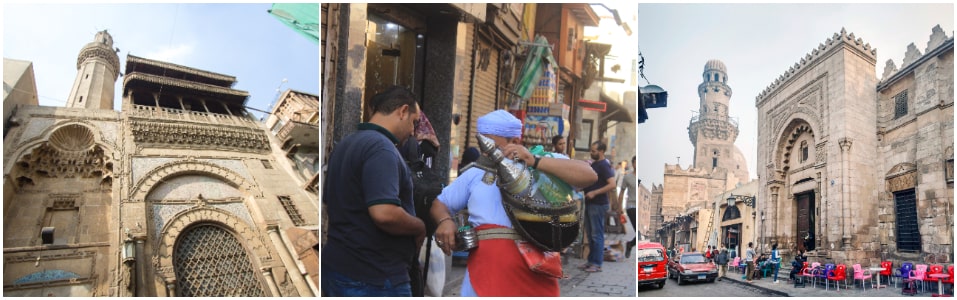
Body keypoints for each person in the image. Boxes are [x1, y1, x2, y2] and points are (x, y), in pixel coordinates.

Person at [429, 110, 597, 296]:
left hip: (535, 272)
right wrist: (445, 221)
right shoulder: (476, 173)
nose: (486, 152)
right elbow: (440, 204)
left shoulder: (543, 162)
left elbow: (589, 175)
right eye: (482, 145)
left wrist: (534, 161)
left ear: (515, 142)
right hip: (485, 274)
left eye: (492, 145)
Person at [322, 86, 426, 297]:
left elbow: (329, 204)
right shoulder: (381, 148)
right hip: (374, 278)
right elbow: (384, 213)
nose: (413, 132)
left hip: (342, 270)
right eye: (414, 123)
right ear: (402, 111)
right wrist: (419, 227)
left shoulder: (346, 144)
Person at [581, 141, 617, 273]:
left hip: (598, 203)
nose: (592, 153)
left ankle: (597, 264)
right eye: (591, 150)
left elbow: (612, 184)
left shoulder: (604, 165)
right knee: (590, 235)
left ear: (601, 151)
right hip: (591, 203)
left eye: (594, 151)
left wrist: (594, 192)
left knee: (597, 235)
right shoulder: (595, 164)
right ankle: (591, 261)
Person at [618, 156, 637, 258]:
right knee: (637, 233)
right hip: (631, 206)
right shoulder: (627, 177)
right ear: (633, 163)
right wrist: (619, 208)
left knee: (638, 235)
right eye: (635, 162)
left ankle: (630, 244)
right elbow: (621, 193)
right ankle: (629, 244)